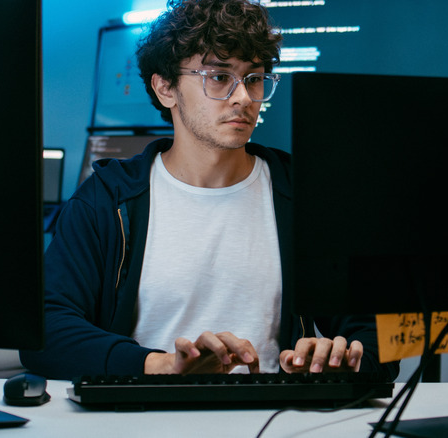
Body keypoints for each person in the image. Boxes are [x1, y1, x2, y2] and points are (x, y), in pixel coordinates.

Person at [21, 0, 398, 381]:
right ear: (165, 88)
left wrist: (337, 359)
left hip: (273, 419)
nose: (244, 98)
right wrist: (160, 365)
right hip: (141, 417)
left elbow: (381, 334)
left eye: (253, 79)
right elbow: (46, 330)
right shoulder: (108, 197)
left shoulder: (303, 194)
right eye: (219, 77)